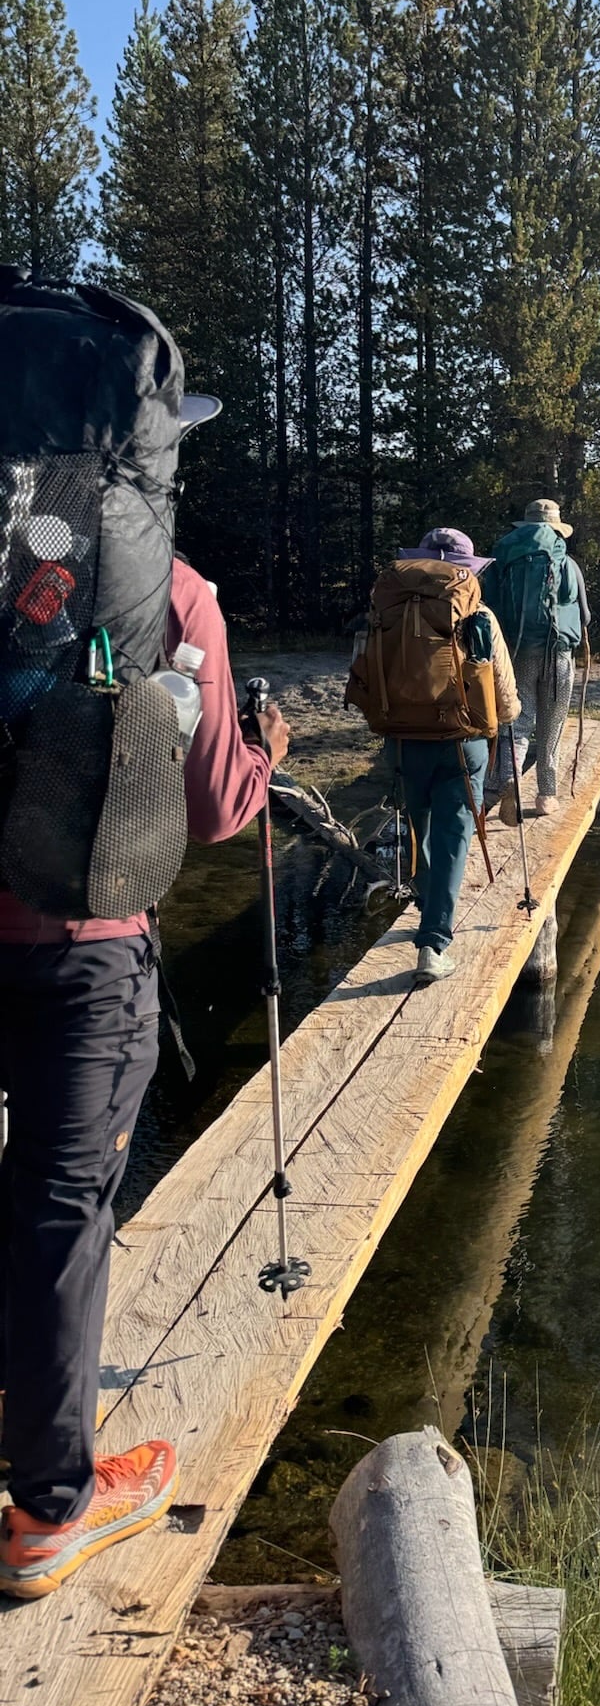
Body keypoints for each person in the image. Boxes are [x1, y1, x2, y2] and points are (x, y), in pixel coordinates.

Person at [0, 493, 290, 1592]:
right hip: (85, 949)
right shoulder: (171, 590)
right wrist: (263, 755)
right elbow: (214, 808)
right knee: (61, 1209)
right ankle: (49, 1511)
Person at [371, 529, 518, 983]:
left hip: (403, 739)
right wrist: (507, 717)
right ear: (468, 571)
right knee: (454, 835)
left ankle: (427, 905)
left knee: (421, 830)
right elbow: (505, 697)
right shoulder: (477, 614)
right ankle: (433, 944)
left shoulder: (389, 610)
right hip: (460, 742)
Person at [484, 499, 589, 820]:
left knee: (518, 720)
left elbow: (489, 608)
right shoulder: (566, 563)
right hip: (559, 653)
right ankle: (546, 795)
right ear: (556, 529)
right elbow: (585, 616)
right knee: (551, 725)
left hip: (517, 651)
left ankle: (509, 779)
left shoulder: (503, 560)